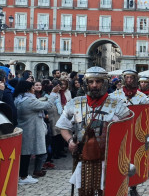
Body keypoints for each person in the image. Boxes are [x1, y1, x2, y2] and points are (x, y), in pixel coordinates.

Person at [56, 66, 131, 195]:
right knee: (84, 191)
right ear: (86, 84)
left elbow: (127, 132)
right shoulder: (75, 103)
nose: (94, 85)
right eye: (91, 82)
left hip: (109, 159)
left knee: (108, 191)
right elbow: (63, 126)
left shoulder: (118, 105)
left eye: (98, 81)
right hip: (83, 159)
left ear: (105, 83)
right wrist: (69, 141)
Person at [14, 80, 60, 184]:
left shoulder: (21, 99)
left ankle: (24, 175)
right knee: (26, 153)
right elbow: (47, 105)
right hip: (30, 130)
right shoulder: (28, 101)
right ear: (27, 89)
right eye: (32, 87)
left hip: (27, 129)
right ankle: (23, 176)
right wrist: (53, 93)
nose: (34, 89)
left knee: (26, 153)